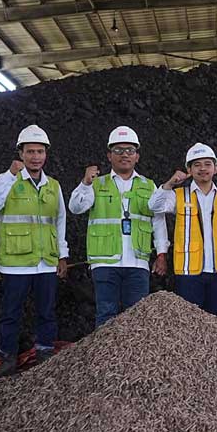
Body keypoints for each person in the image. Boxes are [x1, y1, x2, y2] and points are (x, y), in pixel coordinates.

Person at [0, 125, 69, 380]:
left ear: (46, 154)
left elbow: (60, 221)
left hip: (46, 261)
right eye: (30, 151)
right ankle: (7, 356)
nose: (35, 157)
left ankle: (44, 351)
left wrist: (62, 255)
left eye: (40, 151)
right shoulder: (8, 181)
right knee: (11, 312)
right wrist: (10, 175)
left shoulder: (53, 186)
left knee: (46, 311)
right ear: (20, 153)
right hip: (16, 262)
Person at [68, 125, 169, 328]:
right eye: (118, 150)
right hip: (105, 262)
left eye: (130, 150)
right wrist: (85, 183)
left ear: (137, 156)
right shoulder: (96, 183)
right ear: (109, 156)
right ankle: (104, 351)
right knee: (106, 315)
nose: (125, 155)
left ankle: (135, 351)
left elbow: (158, 221)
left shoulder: (148, 185)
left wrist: (161, 254)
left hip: (137, 262)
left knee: (138, 318)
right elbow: (76, 208)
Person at [149, 143, 217, 320]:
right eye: (197, 165)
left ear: (215, 168)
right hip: (188, 273)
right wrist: (169, 184)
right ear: (189, 170)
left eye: (207, 164)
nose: (203, 169)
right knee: (189, 323)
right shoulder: (178, 195)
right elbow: (154, 206)